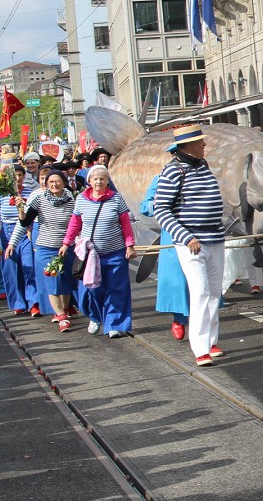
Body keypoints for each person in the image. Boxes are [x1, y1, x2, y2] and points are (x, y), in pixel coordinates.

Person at [151, 126, 226, 366]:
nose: (204, 145)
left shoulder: (203, 165)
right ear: (189, 146)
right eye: (201, 142)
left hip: (215, 238)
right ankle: (200, 347)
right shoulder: (173, 171)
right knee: (200, 292)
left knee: (215, 292)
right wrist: (185, 237)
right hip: (192, 242)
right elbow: (160, 209)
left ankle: (212, 340)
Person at [60, 165, 136, 339]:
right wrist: (66, 243)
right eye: (95, 179)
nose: (99, 181)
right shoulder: (80, 199)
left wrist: (129, 245)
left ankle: (114, 324)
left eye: (102, 178)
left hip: (115, 252)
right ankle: (94, 317)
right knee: (90, 290)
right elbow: (74, 224)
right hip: (89, 255)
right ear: (89, 181)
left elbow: (125, 224)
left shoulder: (116, 199)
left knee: (116, 289)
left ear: (107, 181)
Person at [8, 169, 76, 332]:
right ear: (46, 184)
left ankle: (65, 310)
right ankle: (60, 315)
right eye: (50, 182)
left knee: (65, 281)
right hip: (46, 247)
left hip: (66, 246)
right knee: (52, 280)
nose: (54, 184)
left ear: (63, 183)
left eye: (57, 181)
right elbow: (25, 223)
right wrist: (21, 210)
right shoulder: (39, 199)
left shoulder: (71, 200)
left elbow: (77, 222)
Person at [140, 162, 191, 341]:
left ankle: (207, 336)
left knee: (204, 284)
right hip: (173, 235)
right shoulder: (161, 179)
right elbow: (145, 205)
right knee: (178, 281)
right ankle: (179, 318)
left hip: (199, 234)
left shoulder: (202, 176)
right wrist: (158, 206)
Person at [0, 166, 38, 316]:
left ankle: (33, 302)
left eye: (20, 175)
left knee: (28, 266)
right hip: (6, 232)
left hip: (25, 232)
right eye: (14, 176)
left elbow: (33, 214)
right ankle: (18, 303)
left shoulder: (29, 192)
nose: (17, 178)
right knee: (11, 269)